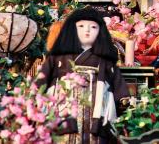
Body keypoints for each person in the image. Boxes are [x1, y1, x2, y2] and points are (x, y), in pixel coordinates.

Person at [36, 8, 130, 144]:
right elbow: (41, 82)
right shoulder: (57, 58)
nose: (87, 31)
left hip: (96, 112)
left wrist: (123, 99)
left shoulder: (105, 61)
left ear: (100, 31)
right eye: (81, 26)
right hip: (64, 110)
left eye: (93, 27)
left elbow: (118, 85)